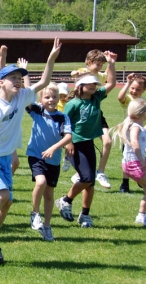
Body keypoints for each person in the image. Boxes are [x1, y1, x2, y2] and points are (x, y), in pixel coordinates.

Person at [0, 38, 61, 263]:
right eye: (13, 78)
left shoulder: (22, 96)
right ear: (1, 82)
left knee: (8, 200)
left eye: (20, 78)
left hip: (4, 156)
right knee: (1, 196)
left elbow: (43, 82)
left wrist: (51, 58)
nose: (18, 81)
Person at [57, 52, 117, 228]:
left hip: (88, 143)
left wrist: (111, 63)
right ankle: (65, 200)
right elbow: (64, 124)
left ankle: (85, 215)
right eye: (89, 84)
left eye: (95, 84)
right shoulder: (73, 104)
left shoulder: (97, 98)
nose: (93, 86)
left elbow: (112, 83)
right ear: (80, 86)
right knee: (87, 177)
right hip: (75, 145)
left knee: (89, 183)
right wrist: (68, 143)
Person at [25, 84, 72, 241]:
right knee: (41, 182)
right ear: (40, 99)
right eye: (47, 97)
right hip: (36, 155)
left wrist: (54, 148)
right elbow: (28, 94)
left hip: (53, 160)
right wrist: (26, 77)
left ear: (59, 98)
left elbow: (68, 137)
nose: (51, 100)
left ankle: (46, 226)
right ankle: (35, 213)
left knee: (50, 195)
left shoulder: (62, 117)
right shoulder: (37, 111)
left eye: (54, 97)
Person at [71, 50, 113, 189]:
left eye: (102, 64)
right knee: (82, 144)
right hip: (82, 113)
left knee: (107, 141)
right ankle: (79, 171)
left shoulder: (100, 76)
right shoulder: (83, 71)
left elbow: (110, 80)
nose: (100, 67)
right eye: (98, 64)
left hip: (96, 113)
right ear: (89, 62)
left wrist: (111, 63)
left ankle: (100, 172)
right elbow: (74, 73)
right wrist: (77, 75)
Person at [111, 98, 146, 226]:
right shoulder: (135, 127)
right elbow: (135, 143)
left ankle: (141, 217)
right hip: (134, 164)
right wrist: (142, 161)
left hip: (130, 164)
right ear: (144, 114)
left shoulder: (136, 125)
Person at [117, 74, 146, 193]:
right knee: (128, 157)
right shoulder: (129, 99)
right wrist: (128, 83)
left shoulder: (143, 103)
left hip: (140, 133)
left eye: (138, 89)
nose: (134, 91)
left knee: (136, 156)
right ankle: (125, 183)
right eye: (132, 88)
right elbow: (120, 97)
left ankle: (140, 178)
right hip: (128, 133)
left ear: (144, 90)